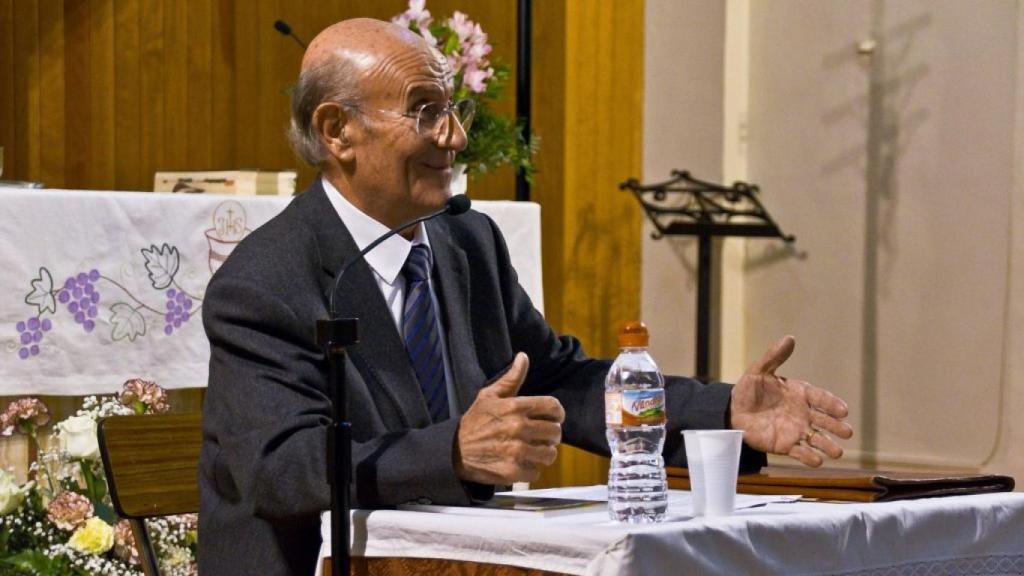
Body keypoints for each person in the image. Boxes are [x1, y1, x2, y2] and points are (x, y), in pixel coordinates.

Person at [198, 18, 853, 576]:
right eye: (426, 111)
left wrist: (724, 411)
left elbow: (559, 381)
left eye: (454, 109)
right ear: (337, 131)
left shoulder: (465, 242)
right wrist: (453, 451)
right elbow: (281, 470)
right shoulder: (265, 282)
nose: (454, 137)